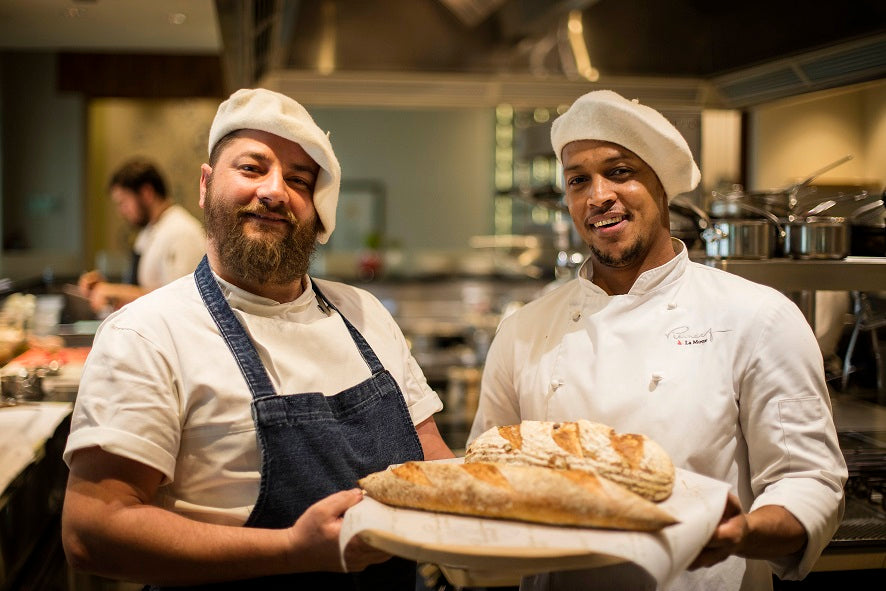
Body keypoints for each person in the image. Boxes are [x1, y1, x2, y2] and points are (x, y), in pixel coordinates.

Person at [62, 88, 454, 589]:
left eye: (298, 179)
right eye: (252, 168)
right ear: (206, 186)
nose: (274, 191)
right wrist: (292, 551)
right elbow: (92, 531)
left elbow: (431, 462)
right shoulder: (146, 333)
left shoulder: (365, 313)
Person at [468, 90, 847, 590]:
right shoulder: (523, 329)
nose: (598, 195)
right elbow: (488, 464)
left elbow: (809, 480)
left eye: (620, 171)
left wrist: (741, 533)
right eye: (578, 179)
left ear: (663, 186)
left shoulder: (758, 315)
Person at [78, 158, 206, 314]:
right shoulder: (150, 231)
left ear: (147, 193)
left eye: (123, 202)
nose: (121, 212)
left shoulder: (182, 233)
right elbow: (142, 288)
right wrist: (107, 289)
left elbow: (181, 300)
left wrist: (114, 291)